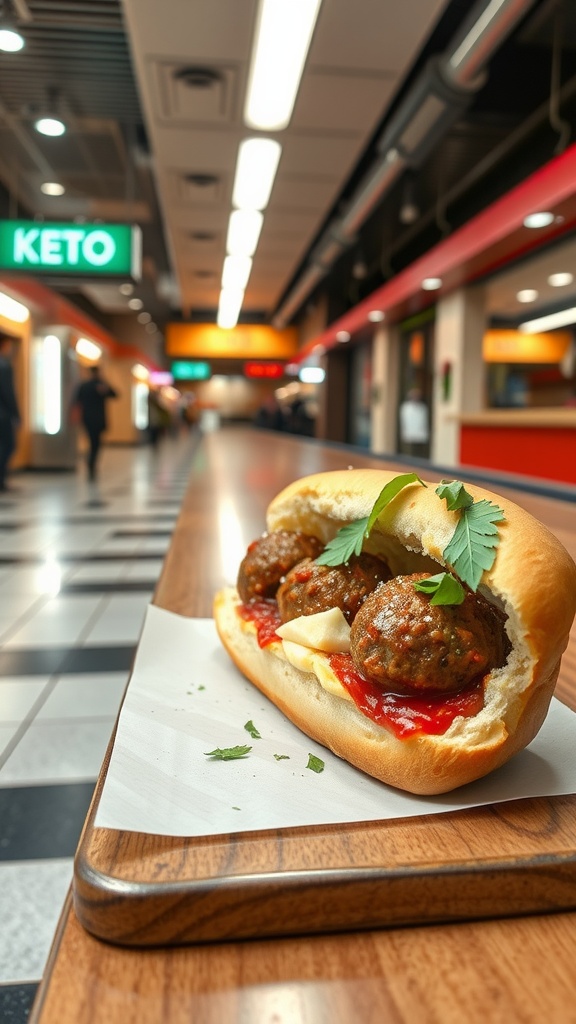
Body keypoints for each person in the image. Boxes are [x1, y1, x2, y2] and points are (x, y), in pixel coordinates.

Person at [72, 364, 118, 481]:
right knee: (95, 443)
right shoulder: (99, 385)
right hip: (97, 419)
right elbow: (115, 394)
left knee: (93, 442)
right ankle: (91, 462)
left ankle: (91, 462)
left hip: (88, 419)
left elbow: (76, 401)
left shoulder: (85, 385)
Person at [0, 334, 20, 492]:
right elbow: (8, 393)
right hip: (3, 415)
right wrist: (16, 414)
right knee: (8, 445)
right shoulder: (4, 366)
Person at [399, 387, 429, 457]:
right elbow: (403, 421)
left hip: (420, 435)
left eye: (417, 396)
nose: (416, 397)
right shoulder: (406, 407)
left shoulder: (423, 407)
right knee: (408, 455)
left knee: (419, 455)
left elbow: (424, 422)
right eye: (414, 396)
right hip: (409, 434)